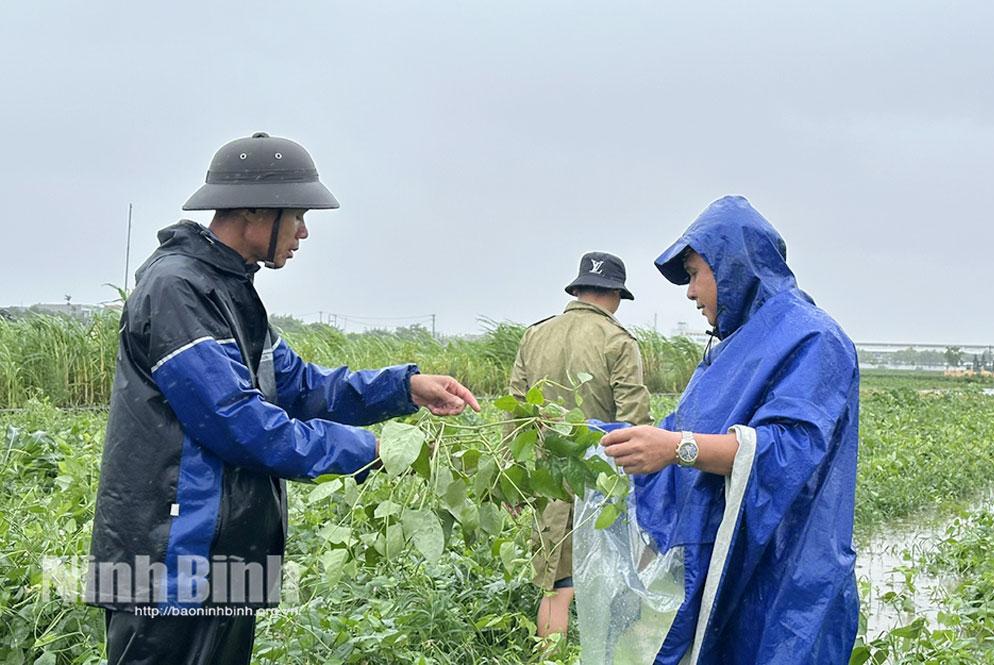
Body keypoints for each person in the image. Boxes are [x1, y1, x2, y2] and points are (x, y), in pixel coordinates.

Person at [87, 132, 480, 664]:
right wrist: (372, 450)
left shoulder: (231, 292)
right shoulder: (178, 289)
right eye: (296, 215)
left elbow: (304, 388)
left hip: (221, 559)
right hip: (167, 558)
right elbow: (239, 423)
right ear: (254, 210)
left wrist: (403, 387)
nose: (303, 231)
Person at [599, 196, 859, 663]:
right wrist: (591, 437)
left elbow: (789, 451)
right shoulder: (730, 349)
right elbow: (679, 435)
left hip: (788, 572)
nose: (690, 292)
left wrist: (678, 448)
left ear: (733, 267)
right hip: (727, 566)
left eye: (695, 273)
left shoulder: (813, 338)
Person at [508, 251, 652, 639]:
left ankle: (549, 660)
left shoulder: (535, 335)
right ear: (616, 295)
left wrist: (512, 478)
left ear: (578, 290)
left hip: (550, 482)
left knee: (556, 588)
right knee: (619, 584)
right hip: (604, 484)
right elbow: (634, 422)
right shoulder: (618, 341)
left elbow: (516, 413)